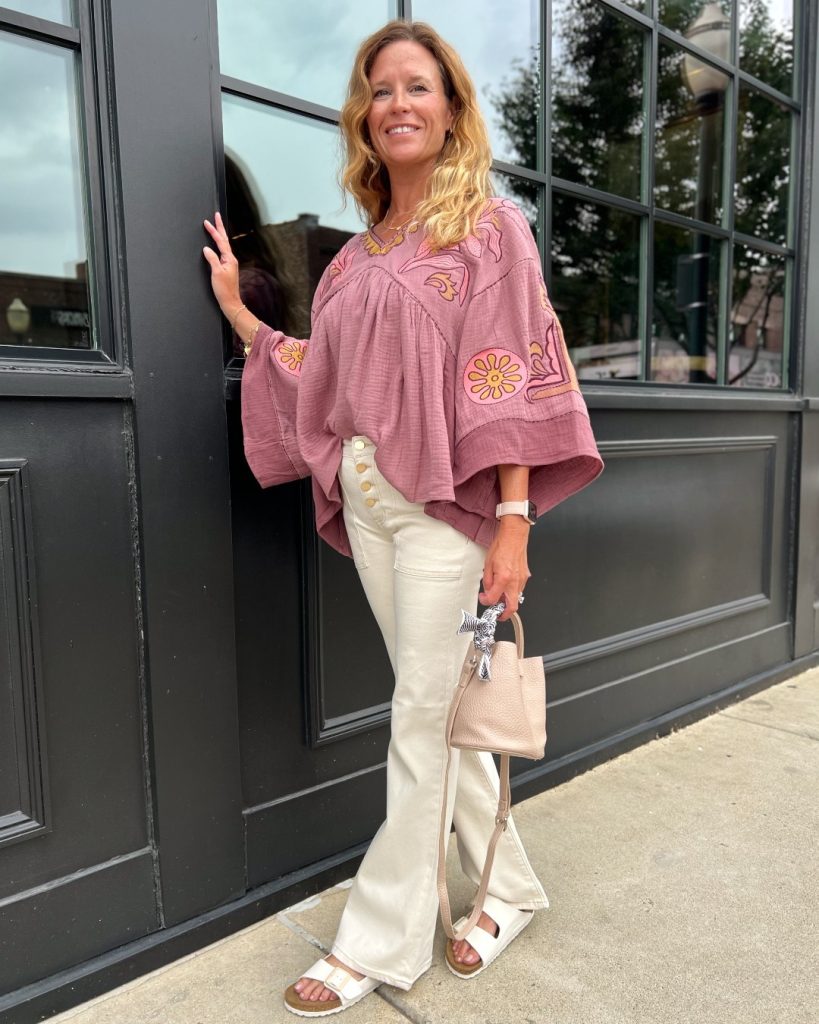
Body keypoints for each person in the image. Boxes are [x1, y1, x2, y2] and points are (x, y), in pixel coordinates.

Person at [203, 18, 604, 1018]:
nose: (398, 105)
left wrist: (512, 521)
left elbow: (504, 380)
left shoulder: (490, 229)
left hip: (448, 507)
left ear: (452, 106)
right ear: (364, 116)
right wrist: (246, 317)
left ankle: (377, 940)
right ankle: (506, 890)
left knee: (420, 721)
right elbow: (317, 372)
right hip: (374, 504)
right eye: (380, 90)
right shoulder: (351, 260)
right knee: (442, 710)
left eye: (418, 86)